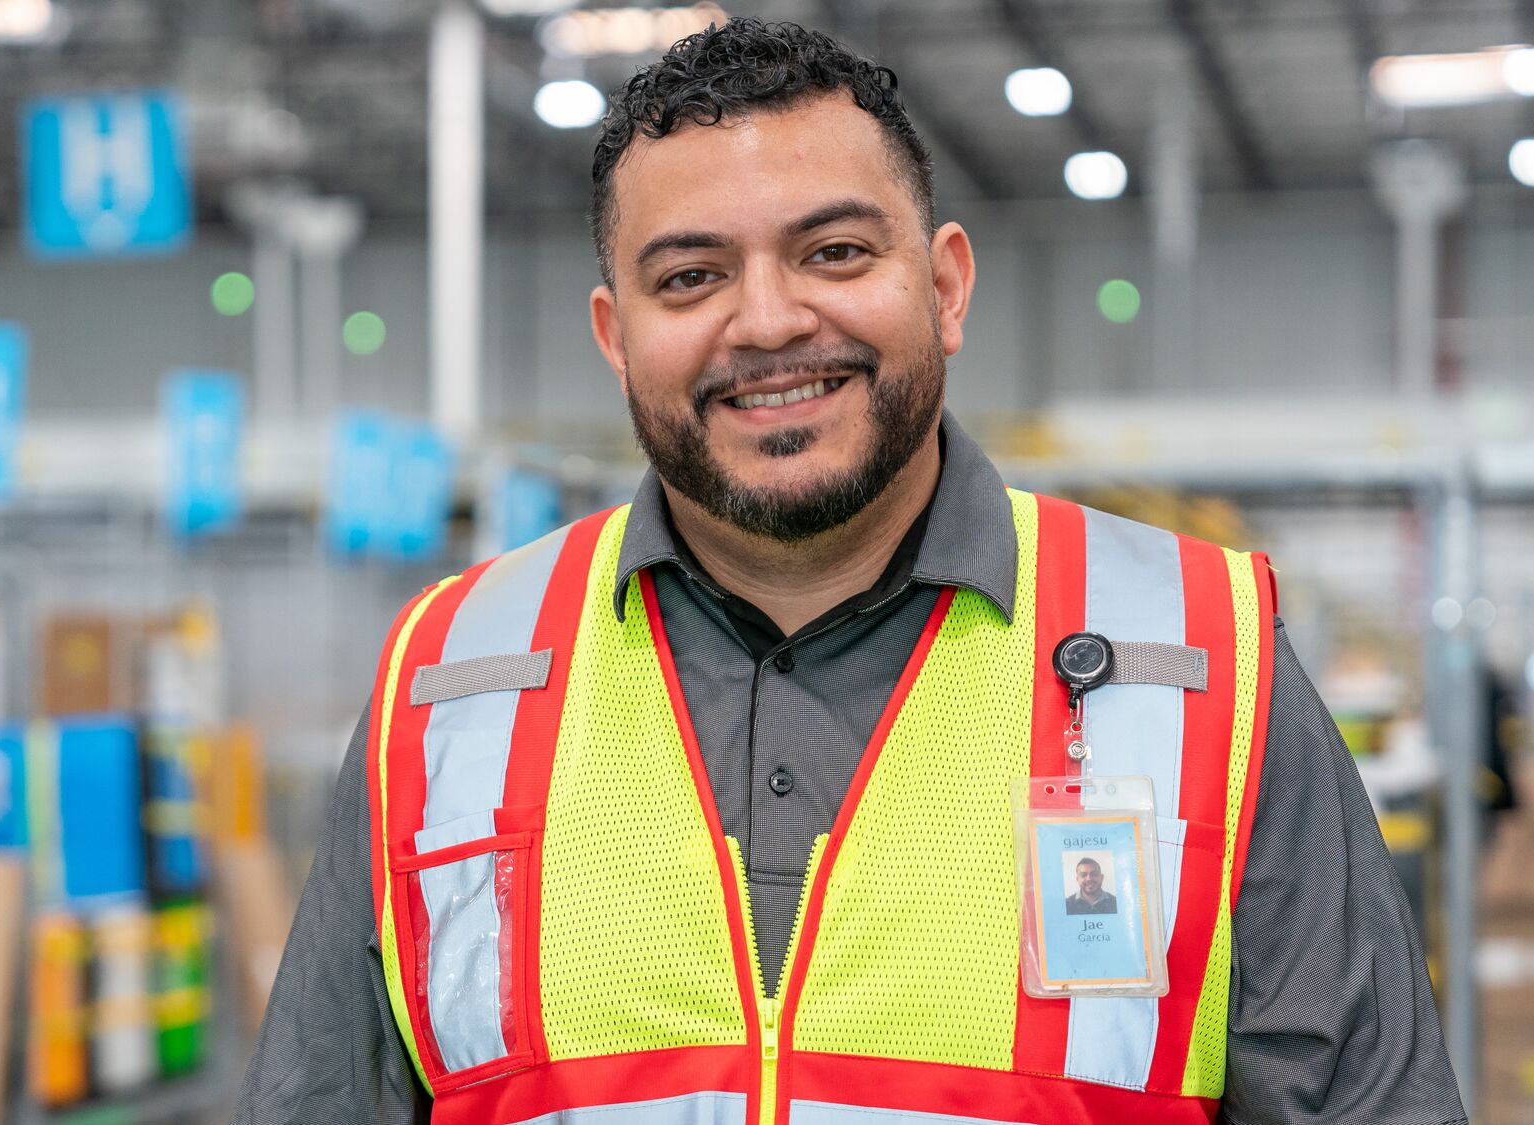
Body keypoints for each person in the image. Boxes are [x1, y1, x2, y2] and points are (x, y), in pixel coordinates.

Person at [235, 18, 1466, 1125]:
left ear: (942, 288)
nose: (765, 321)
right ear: (617, 335)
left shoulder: (1203, 662)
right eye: (689, 277)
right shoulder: (449, 681)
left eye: (830, 252)